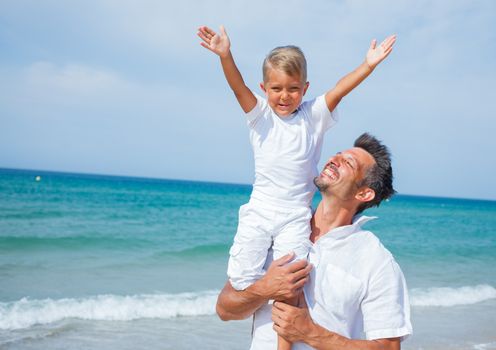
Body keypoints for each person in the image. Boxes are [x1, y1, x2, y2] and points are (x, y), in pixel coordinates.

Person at [198, 25, 396, 349]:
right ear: (264, 88)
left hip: (294, 215)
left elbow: (339, 89)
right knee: (241, 276)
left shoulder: (313, 117)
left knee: (292, 281)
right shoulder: (260, 115)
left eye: (293, 88)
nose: (284, 96)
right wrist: (225, 55)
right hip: (259, 211)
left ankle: (283, 346)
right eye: (276, 88)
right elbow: (237, 88)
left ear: (305, 88)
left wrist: (368, 65)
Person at [216, 133, 412, 350]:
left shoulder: (376, 260)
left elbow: (389, 347)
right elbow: (225, 310)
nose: (334, 159)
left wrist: (311, 333)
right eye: (338, 154)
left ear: (364, 193)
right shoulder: (277, 227)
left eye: (348, 163)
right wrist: (264, 289)